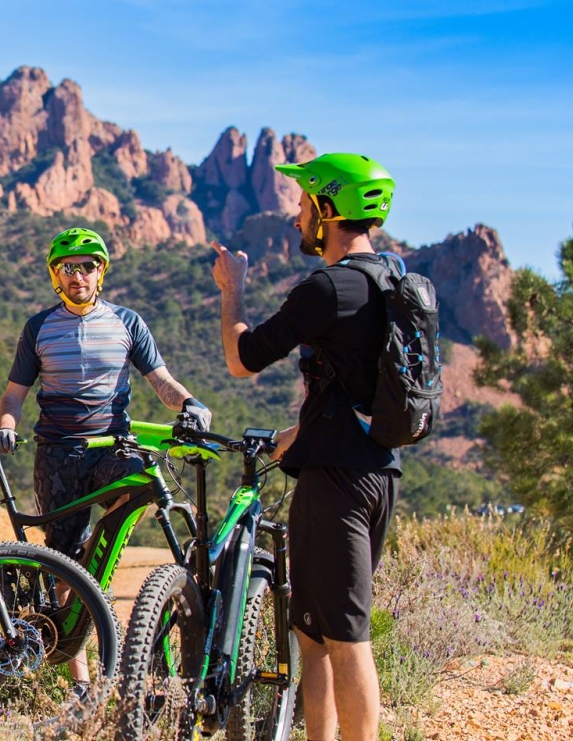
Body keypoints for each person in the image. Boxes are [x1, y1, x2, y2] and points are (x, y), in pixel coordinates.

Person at [210, 153, 401, 741]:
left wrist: (233, 291)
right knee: (313, 637)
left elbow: (242, 360)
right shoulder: (392, 280)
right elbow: (350, 398)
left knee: (344, 640)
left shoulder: (328, 288)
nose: (295, 220)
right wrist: (287, 443)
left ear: (327, 209)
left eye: (302, 206)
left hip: (337, 486)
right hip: (374, 471)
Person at [0, 226, 210, 690]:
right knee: (64, 562)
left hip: (111, 447)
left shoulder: (128, 323)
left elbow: (162, 382)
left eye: (87, 266)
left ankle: (101, 565)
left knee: (141, 482)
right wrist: (6, 428)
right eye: (68, 267)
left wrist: (191, 404)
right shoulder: (39, 328)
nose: (78, 275)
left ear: (101, 272)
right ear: (56, 275)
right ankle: (82, 680)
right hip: (58, 454)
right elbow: (13, 397)